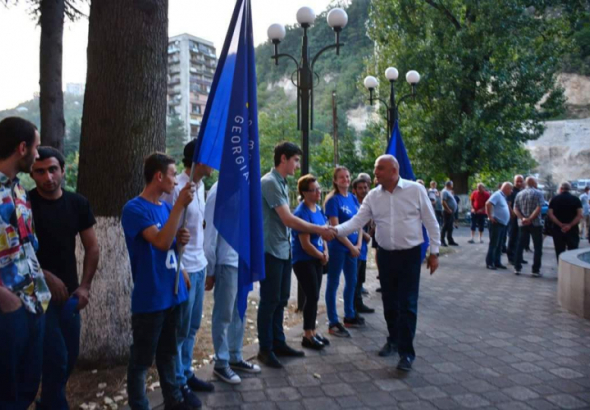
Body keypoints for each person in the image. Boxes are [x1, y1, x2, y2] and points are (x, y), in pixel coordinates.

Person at [331, 155, 441, 371]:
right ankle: (392, 339)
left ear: (394, 170)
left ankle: (406, 353)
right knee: (389, 302)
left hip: (410, 255)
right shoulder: (373, 196)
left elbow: (431, 222)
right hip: (385, 255)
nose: (375, 173)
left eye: (379, 169)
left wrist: (434, 253)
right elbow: (356, 222)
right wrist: (334, 230)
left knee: (407, 304)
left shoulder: (415, 190)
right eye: (375, 169)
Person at [121, 152, 194, 410]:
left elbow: (171, 246)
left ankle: (173, 399)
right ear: (158, 176)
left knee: (168, 352)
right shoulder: (135, 209)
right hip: (151, 297)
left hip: (172, 293)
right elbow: (161, 242)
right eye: (173, 174)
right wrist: (178, 208)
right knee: (141, 360)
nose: (175, 181)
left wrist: (180, 247)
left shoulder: (164, 208)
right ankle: (139, 405)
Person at [29, 147, 99, 410]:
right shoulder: (23, 205)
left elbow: (92, 246)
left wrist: (85, 286)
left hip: (70, 296)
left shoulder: (77, 203)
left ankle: (47, 402)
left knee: (69, 358)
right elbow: (13, 251)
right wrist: (44, 275)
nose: (48, 177)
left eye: (52, 169)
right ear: (32, 174)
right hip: (36, 295)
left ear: (63, 170)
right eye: (40, 171)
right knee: (56, 358)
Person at [257, 142, 335, 369]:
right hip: (271, 250)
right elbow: (288, 220)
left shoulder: (281, 182)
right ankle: (265, 349)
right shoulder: (269, 182)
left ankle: (278, 343)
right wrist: (320, 230)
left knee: (280, 300)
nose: (297, 165)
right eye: (295, 160)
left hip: (282, 250)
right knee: (269, 300)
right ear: (283, 159)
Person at [0, 117, 50, 410]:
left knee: (26, 389)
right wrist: (5, 299)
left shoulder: (19, 190)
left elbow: (25, 246)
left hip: (34, 303)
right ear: (22, 148)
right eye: (36, 145)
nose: (39, 153)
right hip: (7, 311)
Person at [162, 141, 214, 408]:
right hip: (183, 268)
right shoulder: (177, 187)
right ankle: (177, 382)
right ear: (198, 160)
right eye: (210, 157)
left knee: (192, 327)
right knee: (180, 330)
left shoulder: (201, 186)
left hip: (199, 263)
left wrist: (206, 264)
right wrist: (179, 267)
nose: (214, 162)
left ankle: (186, 373)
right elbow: (165, 227)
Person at [205, 181, 261, 385]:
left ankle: (235, 356)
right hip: (226, 261)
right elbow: (210, 233)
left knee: (240, 310)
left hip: (242, 260)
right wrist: (210, 269)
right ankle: (221, 362)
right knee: (224, 313)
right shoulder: (219, 190)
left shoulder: (246, 187)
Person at [291, 175, 330, 350]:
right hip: (305, 260)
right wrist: (321, 256)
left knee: (314, 296)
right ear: (304, 193)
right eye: (314, 190)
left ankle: (313, 331)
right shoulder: (301, 213)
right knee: (312, 295)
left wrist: (325, 251)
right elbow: (305, 245)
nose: (318, 192)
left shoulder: (318, 210)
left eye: (318, 189)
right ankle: (307, 335)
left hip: (317, 258)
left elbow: (323, 233)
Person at [324, 166, 364, 338]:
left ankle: (349, 314)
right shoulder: (333, 200)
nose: (345, 180)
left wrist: (359, 244)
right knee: (333, 284)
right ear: (335, 180)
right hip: (339, 248)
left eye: (347, 176)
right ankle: (333, 320)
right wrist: (351, 247)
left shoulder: (353, 199)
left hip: (353, 248)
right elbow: (335, 229)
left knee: (352, 282)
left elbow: (360, 222)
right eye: (341, 177)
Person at [513, 176, 544, 277]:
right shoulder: (539, 193)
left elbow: (515, 208)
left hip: (522, 224)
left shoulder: (519, 194)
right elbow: (539, 208)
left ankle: (517, 267)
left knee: (520, 245)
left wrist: (522, 218)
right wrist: (530, 218)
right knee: (537, 247)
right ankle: (535, 270)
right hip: (536, 224)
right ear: (534, 183)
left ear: (526, 183)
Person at [352, 176, 374, 314]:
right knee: (353, 279)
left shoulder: (370, 205)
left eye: (365, 187)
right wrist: (365, 235)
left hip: (364, 248)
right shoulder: (353, 204)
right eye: (360, 188)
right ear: (354, 190)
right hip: (354, 246)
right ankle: (353, 306)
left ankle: (358, 303)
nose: (363, 190)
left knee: (360, 278)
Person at [547, 182, 583, 260]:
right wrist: (569, 225)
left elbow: (550, 214)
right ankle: (572, 269)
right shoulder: (576, 199)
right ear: (569, 189)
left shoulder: (554, 199)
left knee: (559, 251)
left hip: (558, 229)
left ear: (560, 189)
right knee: (573, 251)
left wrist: (560, 224)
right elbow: (579, 215)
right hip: (572, 229)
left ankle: (561, 269)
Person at [485, 182, 512, 270]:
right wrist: (490, 216)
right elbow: (488, 204)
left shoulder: (503, 196)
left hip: (502, 224)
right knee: (494, 244)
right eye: (510, 189)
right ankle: (490, 262)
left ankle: (497, 262)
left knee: (500, 244)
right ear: (506, 188)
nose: (511, 191)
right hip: (496, 224)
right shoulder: (497, 195)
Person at [506, 175, 525, 265]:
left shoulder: (521, 191)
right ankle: (511, 258)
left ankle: (519, 257)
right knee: (513, 238)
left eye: (521, 181)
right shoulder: (512, 191)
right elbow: (508, 204)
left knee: (520, 238)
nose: (519, 183)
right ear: (514, 181)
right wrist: (512, 213)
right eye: (517, 181)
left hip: (521, 217)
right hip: (514, 218)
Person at [441, 181, 459, 246]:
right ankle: (442, 240)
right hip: (447, 212)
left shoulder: (449, 191)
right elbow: (443, 201)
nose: (452, 186)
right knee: (445, 226)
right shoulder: (444, 191)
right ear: (449, 185)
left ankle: (450, 240)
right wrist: (448, 209)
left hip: (451, 212)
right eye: (452, 185)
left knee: (450, 227)